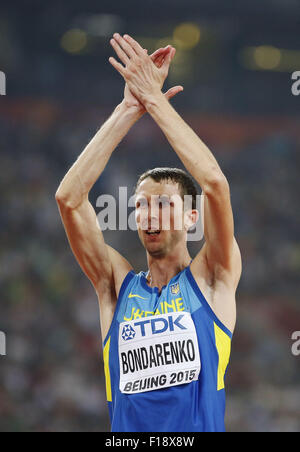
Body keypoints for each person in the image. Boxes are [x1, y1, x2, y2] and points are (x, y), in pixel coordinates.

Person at [55, 33, 242, 432]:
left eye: (162, 204)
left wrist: (155, 102)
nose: (147, 214)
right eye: (140, 205)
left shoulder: (213, 277)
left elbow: (214, 184)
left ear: (192, 218)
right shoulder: (116, 286)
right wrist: (128, 108)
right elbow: (69, 199)